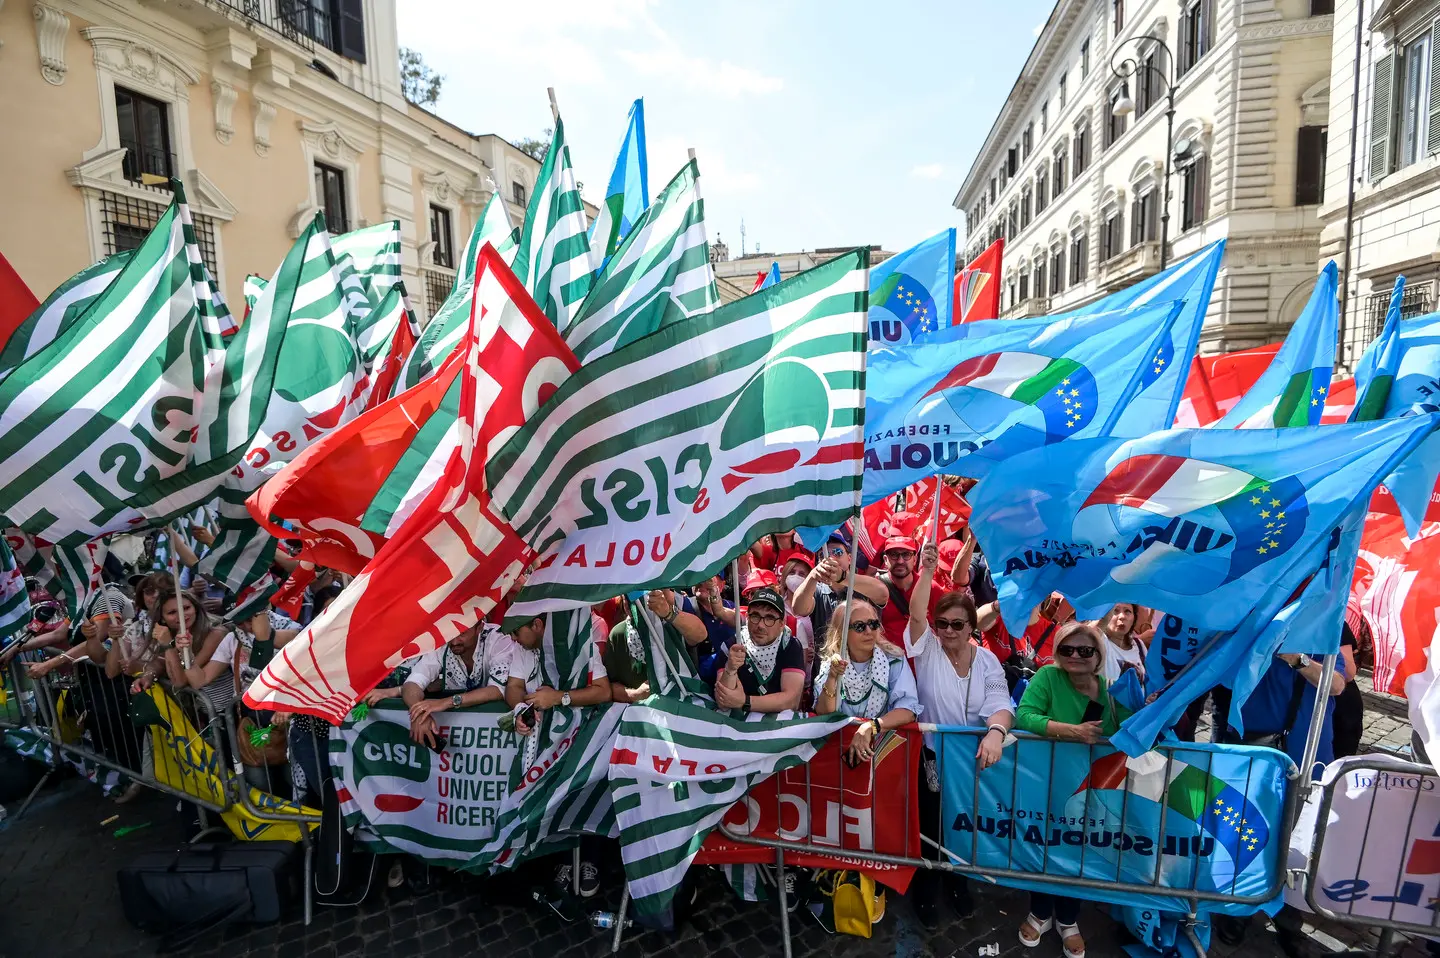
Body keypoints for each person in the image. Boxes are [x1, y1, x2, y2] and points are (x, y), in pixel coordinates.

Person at [903, 541, 1013, 925]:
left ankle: (958, 883)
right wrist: (928, 572)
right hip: (932, 756)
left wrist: (997, 732)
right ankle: (927, 890)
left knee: (965, 824)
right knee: (931, 825)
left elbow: (1001, 701)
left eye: (957, 624)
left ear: (971, 627)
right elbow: (916, 614)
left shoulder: (986, 660)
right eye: (942, 623)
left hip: (973, 759)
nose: (948, 630)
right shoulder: (928, 649)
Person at [1014, 621, 1131, 958]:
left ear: (1098, 655)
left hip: (1093, 792)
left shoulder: (1112, 690)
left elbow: (1131, 725)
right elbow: (1025, 716)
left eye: (1085, 650)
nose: (1076, 656)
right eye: (1067, 649)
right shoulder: (1049, 677)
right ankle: (1039, 912)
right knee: (1046, 847)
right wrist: (1071, 731)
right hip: (1048, 784)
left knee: (1079, 852)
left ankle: (1067, 919)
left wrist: (1149, 703)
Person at [504, 612, 612, 899]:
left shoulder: (580, 645)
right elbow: (514, 686)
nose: (513, 639)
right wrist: (520, 709)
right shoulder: (522, 649)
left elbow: (603, 692)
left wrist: (559, 697)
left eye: (517, 632)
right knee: (551, 804)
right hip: (542, 744)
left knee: (583, 796)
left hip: (581, 739)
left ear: (537, 625)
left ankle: (590, 862)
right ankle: (563, 860)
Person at [812, 596, 921, 764]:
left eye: (873, 624)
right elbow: (825, 713)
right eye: (859, 627)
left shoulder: (894, 660)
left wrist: (871, 727)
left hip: (885, 755)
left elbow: (908, 709)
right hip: (838, 755)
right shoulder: (831, 665)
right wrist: (832, 678)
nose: (869, 631)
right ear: (842, 632)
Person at [713, 586, 805, 716]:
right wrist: (730, 669)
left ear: (782, 623)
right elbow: (723, 702)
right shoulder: (733, 646)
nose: (761, 625)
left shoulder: (790, 645)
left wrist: (745, 701)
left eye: (769, 618)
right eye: (755, 616)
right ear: (747, 618)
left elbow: (791, 701)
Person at [605, 590, 710, 704]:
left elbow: (700, 635)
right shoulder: (617, 633)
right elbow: (608, 686)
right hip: (640, 713)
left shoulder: (671, 622)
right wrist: (635, 694)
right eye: (627, 599)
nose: (636, 603)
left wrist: (669, 613)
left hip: (683, 704)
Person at [874, 536, 943, 647]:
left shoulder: (932, 589)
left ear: (915, 559)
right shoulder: (875, 589)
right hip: (889, 661)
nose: (900, 561)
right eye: (894, 555)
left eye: (906, 555)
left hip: (924, 661)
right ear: (886, 560)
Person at [1097, 603, 1145, 683]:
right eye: (1115, 611)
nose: (1122, 616)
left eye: (1127, 611)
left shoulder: (1139, 644)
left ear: (1134, 619)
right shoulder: (1099, 640)